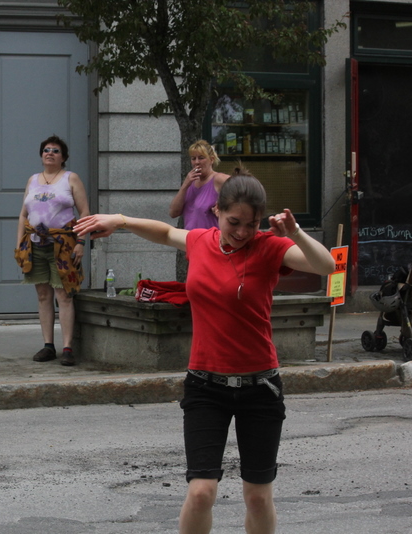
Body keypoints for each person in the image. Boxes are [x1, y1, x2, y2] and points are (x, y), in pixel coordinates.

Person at [75, 168, 335, 534]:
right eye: (234, 222)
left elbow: (326, 265)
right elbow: (165, 232)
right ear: (217, 211)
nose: (242, 232)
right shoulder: (201, 241)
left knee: (258, 497)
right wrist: (120, 220)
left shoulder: (270, 248)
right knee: (200, 492)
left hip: (260, 387)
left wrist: (294, 233)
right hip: (205, 386)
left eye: (251, 224)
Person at [15, 135, 89, 367]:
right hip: (35, 244)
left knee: (63, 295)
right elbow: (23, 215)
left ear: (63, 157)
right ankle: (48, 345)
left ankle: (67, 347)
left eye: (55, 151)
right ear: (41, 155)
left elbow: (85, 212)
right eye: (46, 150)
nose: (50, 153)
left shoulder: (70, 178)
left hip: (63, 245)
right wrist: (19, 245)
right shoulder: (33, 180)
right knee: (43, 295)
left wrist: (81, 242)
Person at [168, 140, 230, 281]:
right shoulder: (191, 183)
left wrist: (224, 206)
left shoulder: (218, 179)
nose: (197, 162)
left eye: (201, 158)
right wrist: (185, 185)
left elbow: (243, 191)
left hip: (214, 245)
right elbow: (173, 212)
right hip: (193, 246)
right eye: (193, 158)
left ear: (211, 159)